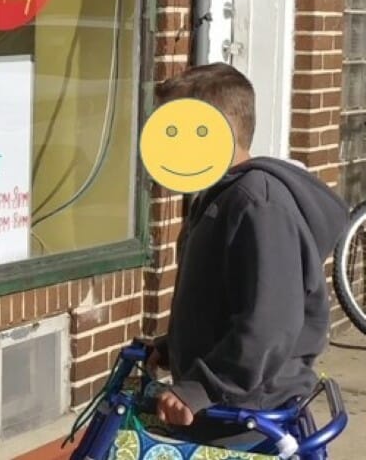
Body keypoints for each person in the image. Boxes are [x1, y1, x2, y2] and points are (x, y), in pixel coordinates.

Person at [146, 62, 350, 451]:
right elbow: (220, 300)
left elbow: (269, 322)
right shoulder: (218, 195)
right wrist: (174, 346)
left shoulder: (257, 203)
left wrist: (204, 386)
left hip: (247, 414)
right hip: (224, 403)